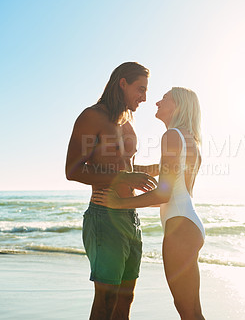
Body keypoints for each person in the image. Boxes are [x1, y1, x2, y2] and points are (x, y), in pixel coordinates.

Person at [92, 87, 206, 320]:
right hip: (189, 223)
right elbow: (172, 192)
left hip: (180, 229)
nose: (157, 102)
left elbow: (163, 194)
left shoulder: (172, 136)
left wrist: (118, 202)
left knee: (188, 312)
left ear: (178, 106)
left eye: (165, 98)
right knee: (192, 312)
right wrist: (128, 172)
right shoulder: (189, 139)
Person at [65, 62, 158, 320]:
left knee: (125, 301)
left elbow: (125, 167)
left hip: (131, 217)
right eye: (140, 89)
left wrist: (158, 168)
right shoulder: (92, 116)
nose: (145, 97)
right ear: (122, 83)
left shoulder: (127, 121)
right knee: (105, 302)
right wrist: (125, 177)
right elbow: (72, 170)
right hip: (104, 217)